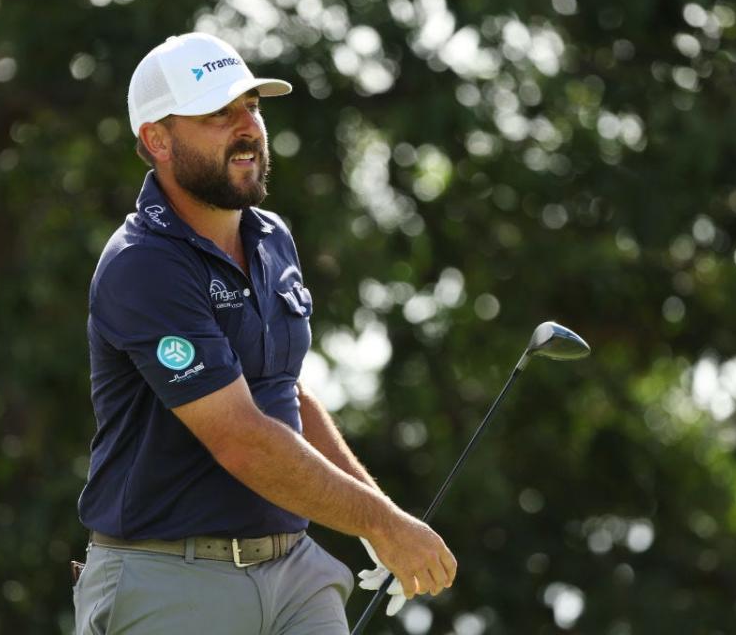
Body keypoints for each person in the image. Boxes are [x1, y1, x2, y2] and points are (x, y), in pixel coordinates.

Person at [73, 32, 457, 634]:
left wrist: (377, 518)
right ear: (157, 140)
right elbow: (241, 438)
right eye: (218, 114)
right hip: (170, 579)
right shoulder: (142, 264)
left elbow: (287, 397)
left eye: (251, 106)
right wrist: (379, 523)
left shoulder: (271, 235)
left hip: (296, 573)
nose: (247, 126)